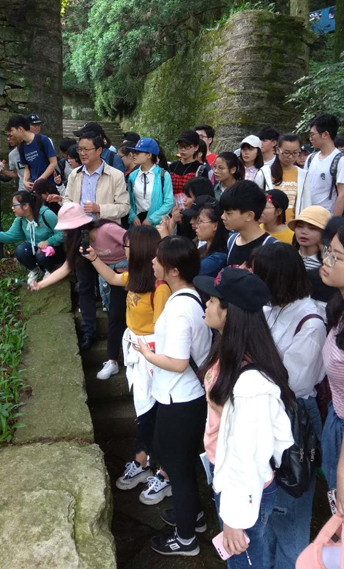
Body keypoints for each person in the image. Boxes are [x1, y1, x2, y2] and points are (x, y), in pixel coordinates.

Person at [194, 267, 294, 568]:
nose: (206, 304)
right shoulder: (228, 349)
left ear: (230, 312)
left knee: (246, 561)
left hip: (245, 488)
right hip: (229, 476)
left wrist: (233, 518)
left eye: (213, 300)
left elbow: (248, 452)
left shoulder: (250, 384)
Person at [133, 236, 212, 557]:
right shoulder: (191, 296)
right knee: (182, 463)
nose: (153, 263)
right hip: (186, 397)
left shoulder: (179, 308)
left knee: (177, 468)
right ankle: (191, 515)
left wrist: (146, 353)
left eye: (158, 259)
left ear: (174, 270)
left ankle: (185, 539)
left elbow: (178, 363)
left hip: (180, 399)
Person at [251, 244, 326, 569]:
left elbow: (293, 382)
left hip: (295, 417)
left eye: (259, 275)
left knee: (291, 510)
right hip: (267, 413)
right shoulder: (270, 307)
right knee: (268, 507)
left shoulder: (311, 322)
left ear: (276, 279)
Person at [82, 226, 171, 477]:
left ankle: (146, 460)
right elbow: (112, 278)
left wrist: (149, 352)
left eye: (127, 246)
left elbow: (163, 330)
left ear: (141, 249)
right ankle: (143, 458)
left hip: (150, 354)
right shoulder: (136, 277)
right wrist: (94, 258)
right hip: (136, 348)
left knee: (149, 407)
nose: (124, 250)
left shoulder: (160, 288)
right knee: (142, 404)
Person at [31, 203, 128, 359]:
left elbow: (136, 243)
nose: (63, 233)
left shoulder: (107, 230)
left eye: (65, 230)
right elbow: (66, 268)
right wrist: (40, 284)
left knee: (118, 312)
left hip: (126, 271)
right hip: (106, 272)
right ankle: (91, 335)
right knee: (90, 289)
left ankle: (119, 351)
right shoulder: (79, 243)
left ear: (75, 228)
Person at [319, 223, 344, 506]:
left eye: (337, 257)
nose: (326, 261)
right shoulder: (341, 306)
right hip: (336, 419)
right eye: (327, 251)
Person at [0, 190, 64, 284]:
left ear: (25, 206)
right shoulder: (20, 220)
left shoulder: (47, 214)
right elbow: (10, 236)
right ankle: (36, 270)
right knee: (21, 250)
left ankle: (51, 270)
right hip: (36, 249)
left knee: (42, 254)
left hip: (54, 250)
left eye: (14, 205)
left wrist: (48, 242)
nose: (12, 208)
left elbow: (62, 234)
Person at [53, 131, 130, 225]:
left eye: (86, 149)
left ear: (99, 150)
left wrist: (99, 208)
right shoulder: (75, 174)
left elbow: (124, 207)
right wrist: (63, 201)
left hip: (104, 228)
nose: (82, 153)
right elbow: (68, 199)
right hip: (79, 227)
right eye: (80, 149)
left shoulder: (116, 176)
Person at [220, 180, 277, 266]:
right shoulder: (232, 241)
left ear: (249, 215)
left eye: (228, 213)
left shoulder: (271, 248)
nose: (223, 217)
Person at [258, 133, 311, 223]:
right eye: (286, 153)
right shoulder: (264, 173)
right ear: (277, 150)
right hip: (269, 227)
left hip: (292, 227)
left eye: (295, 153)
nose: (290, 156)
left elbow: (306, 205)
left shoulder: (303, 175)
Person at [305, 113, 344, 216]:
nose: (311, 138)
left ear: (325, 134)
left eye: (312, 134)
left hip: (326, 217)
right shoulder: (311, 158)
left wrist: (334, 222)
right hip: (307, 216)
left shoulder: (341, 161)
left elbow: (343, 194)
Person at [126, 138, 174, 227]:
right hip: (136, 224)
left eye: (138, 152)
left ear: (149, 155)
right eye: (134, 152)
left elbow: (169, 202)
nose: (134, 155)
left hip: (157, 225)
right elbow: (128, 200)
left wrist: (151, 219)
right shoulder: (132, 176)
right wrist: (133, 217)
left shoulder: (163, 175)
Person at [5, 114, 57, 191]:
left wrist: (40, 180)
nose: (11, 134)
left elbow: (53, 163)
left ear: (20, 129)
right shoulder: (22, 147)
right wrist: (25, 181)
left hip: (48, 187)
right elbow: (27, 168)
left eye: (12, 130)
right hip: (34, 188)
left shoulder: (43, 140)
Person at [288, 205, 331, 272]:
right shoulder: (288, 256)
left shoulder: (329, 263)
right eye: (299, 226)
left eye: (312, 228)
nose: (303, 232)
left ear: (323, 233)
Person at [193, 197, 229, 276]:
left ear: (215, 226)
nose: (196, 226)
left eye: (200, 221)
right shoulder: (202, 249)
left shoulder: (218, 258)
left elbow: (188, 274)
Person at [169, 130, 201, 208]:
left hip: (191, 209)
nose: (183, 150)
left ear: (196, 147)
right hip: (171, 208)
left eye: (187, 147)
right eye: (180, 146)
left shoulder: (200, 169)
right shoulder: (172, 167)